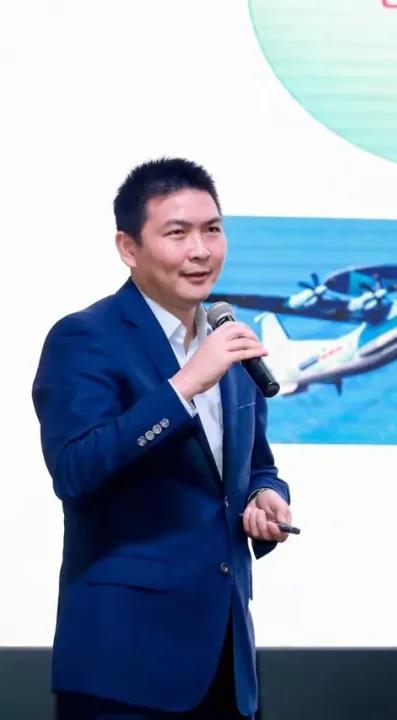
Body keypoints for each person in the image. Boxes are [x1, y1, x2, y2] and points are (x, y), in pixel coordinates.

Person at [32, 157, 294, 719]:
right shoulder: (85, 337)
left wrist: (265, 496)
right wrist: (183, 387)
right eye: (178, 233)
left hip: (226, 660)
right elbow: (76, 469)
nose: (200, 250)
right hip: (124, 665)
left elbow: (257, 465)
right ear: (128, 248)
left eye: (212, 230)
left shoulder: (227, 338)